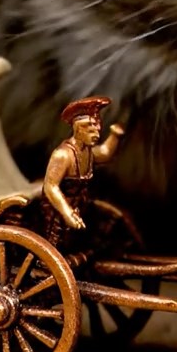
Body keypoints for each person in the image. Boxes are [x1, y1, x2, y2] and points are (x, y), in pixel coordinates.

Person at [42, 97, 125, 244]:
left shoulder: (87, 151)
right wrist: (67, 213)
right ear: (79, 129)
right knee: (59, 241)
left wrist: (115, 136)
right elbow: (50, 187)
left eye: (98, 132)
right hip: (58, 212)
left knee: (83, 236)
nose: (97, 137)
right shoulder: (63, 155)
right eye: (92, 132)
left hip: (79, 205)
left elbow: (105, 153)